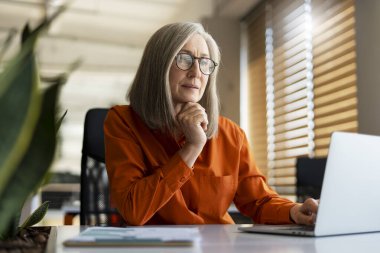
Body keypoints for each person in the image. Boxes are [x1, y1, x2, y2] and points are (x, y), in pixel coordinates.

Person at [104, 22, 318, 226]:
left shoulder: (231, 134)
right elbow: (133, 210)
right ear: (159, 66)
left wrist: (294, 212)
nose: (196, 72)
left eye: (205, 62)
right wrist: (192, 147)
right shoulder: (123, 121)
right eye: (184, 59)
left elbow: (258, 201)